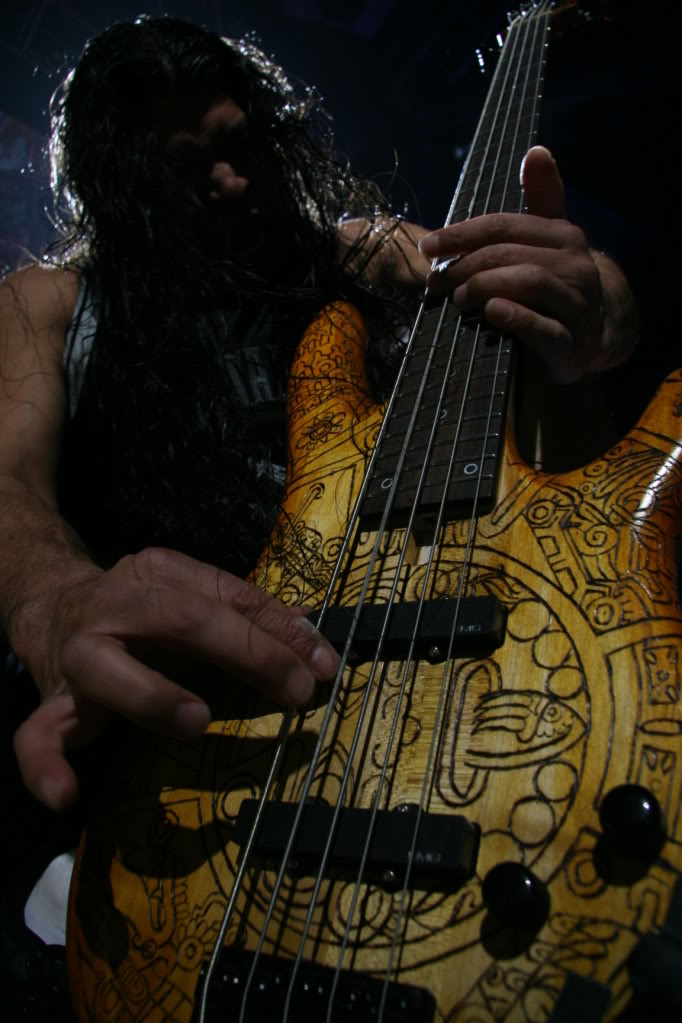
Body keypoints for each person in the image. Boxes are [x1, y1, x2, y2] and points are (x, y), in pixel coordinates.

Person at [0, 16, 637, 819]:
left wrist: (597, 300)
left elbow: (532, 273)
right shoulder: (50, 301)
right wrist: (57, 602)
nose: (232, 182)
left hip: (429, 683)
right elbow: (8, 483)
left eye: (240, 143)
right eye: (181, 170)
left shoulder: (358, 251)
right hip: (205, 749)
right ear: (121, 191)